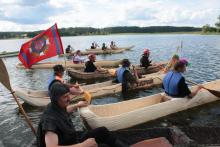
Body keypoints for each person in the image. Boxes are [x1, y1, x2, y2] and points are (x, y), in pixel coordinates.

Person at [37, 83, 128, 147]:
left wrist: (77, 105)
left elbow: (65, 111)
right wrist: (83, 145)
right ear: (56, 99)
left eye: (68, 95)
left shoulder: (56, 106)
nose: (69, 99)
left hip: (72, 139)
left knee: (102, 131)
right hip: (71, 144)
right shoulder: (50, 121)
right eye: (65, 97)